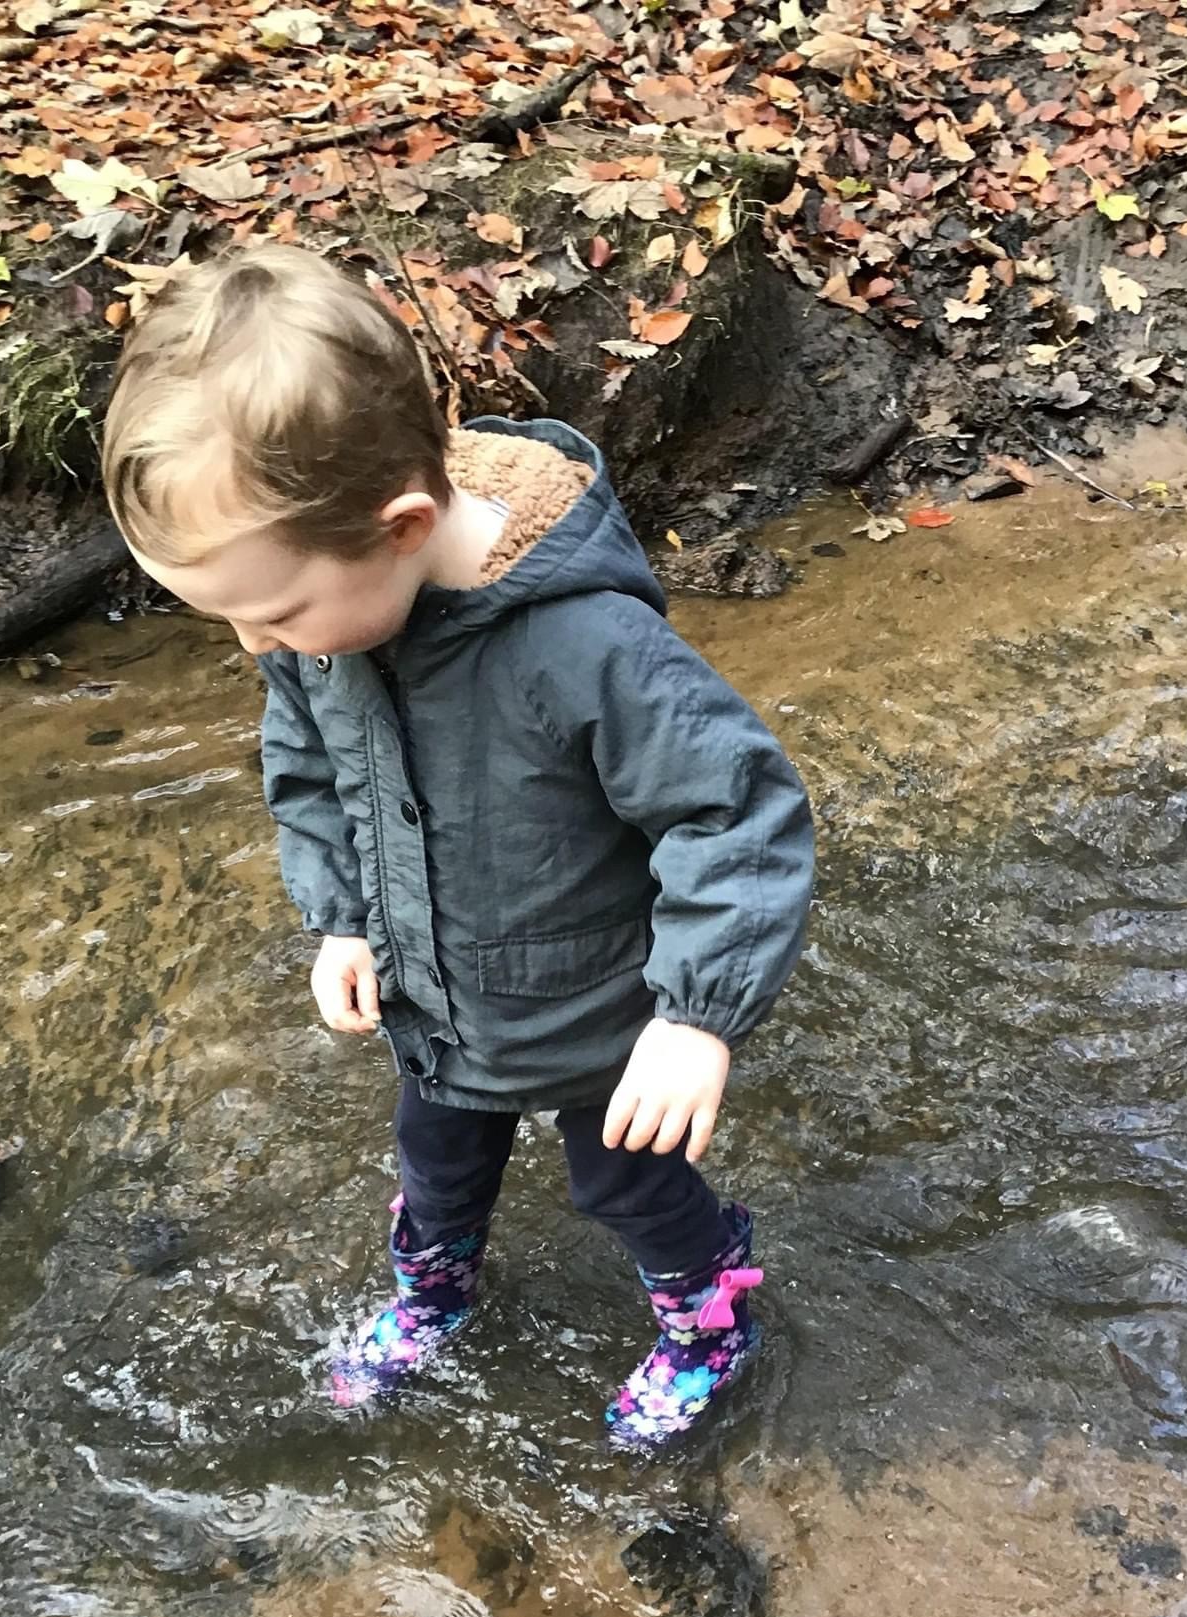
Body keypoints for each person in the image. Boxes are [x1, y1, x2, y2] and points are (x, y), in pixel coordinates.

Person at [102, 245, 814, 1448]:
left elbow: (735, 810)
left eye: (271, 611)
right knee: (435, 1163)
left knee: (625, 1180)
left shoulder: (587, 646)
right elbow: (310, 764)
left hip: (602, 1010)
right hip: (439, 995)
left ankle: (711, 1312)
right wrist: (338, 913)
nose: (255, 645)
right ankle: (434, 1290)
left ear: (403, 526)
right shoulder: (326, 628)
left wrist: (696, 1016)